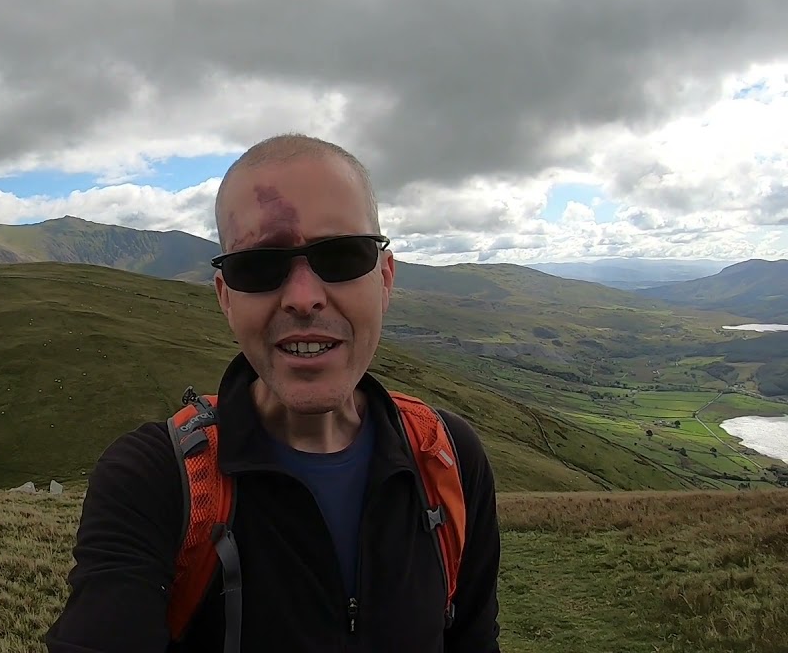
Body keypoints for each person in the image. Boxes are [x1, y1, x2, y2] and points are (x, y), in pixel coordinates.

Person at [45, 133, 502, 652]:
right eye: (259, 266)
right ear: (225, 296)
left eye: (343, 255)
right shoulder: (153, 480)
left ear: (385, 278)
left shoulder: (448, 457)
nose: (303, 299)